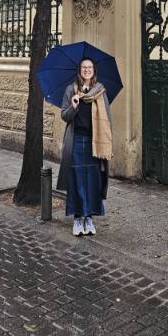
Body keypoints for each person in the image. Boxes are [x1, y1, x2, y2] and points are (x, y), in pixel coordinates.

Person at [56, 58, 113, 236]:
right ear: (79, 70)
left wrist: (107, 142)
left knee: (93, 180)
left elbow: (108, 118)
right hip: (77, 140)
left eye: (90, 67)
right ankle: (78, 219)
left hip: (95, 142)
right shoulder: (70, 90)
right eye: (84, 67)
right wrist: (73, 105)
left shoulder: (100, 91)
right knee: (77, 179)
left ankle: (89, 218)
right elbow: (64, 116)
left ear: (94, 71)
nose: (87, 70)